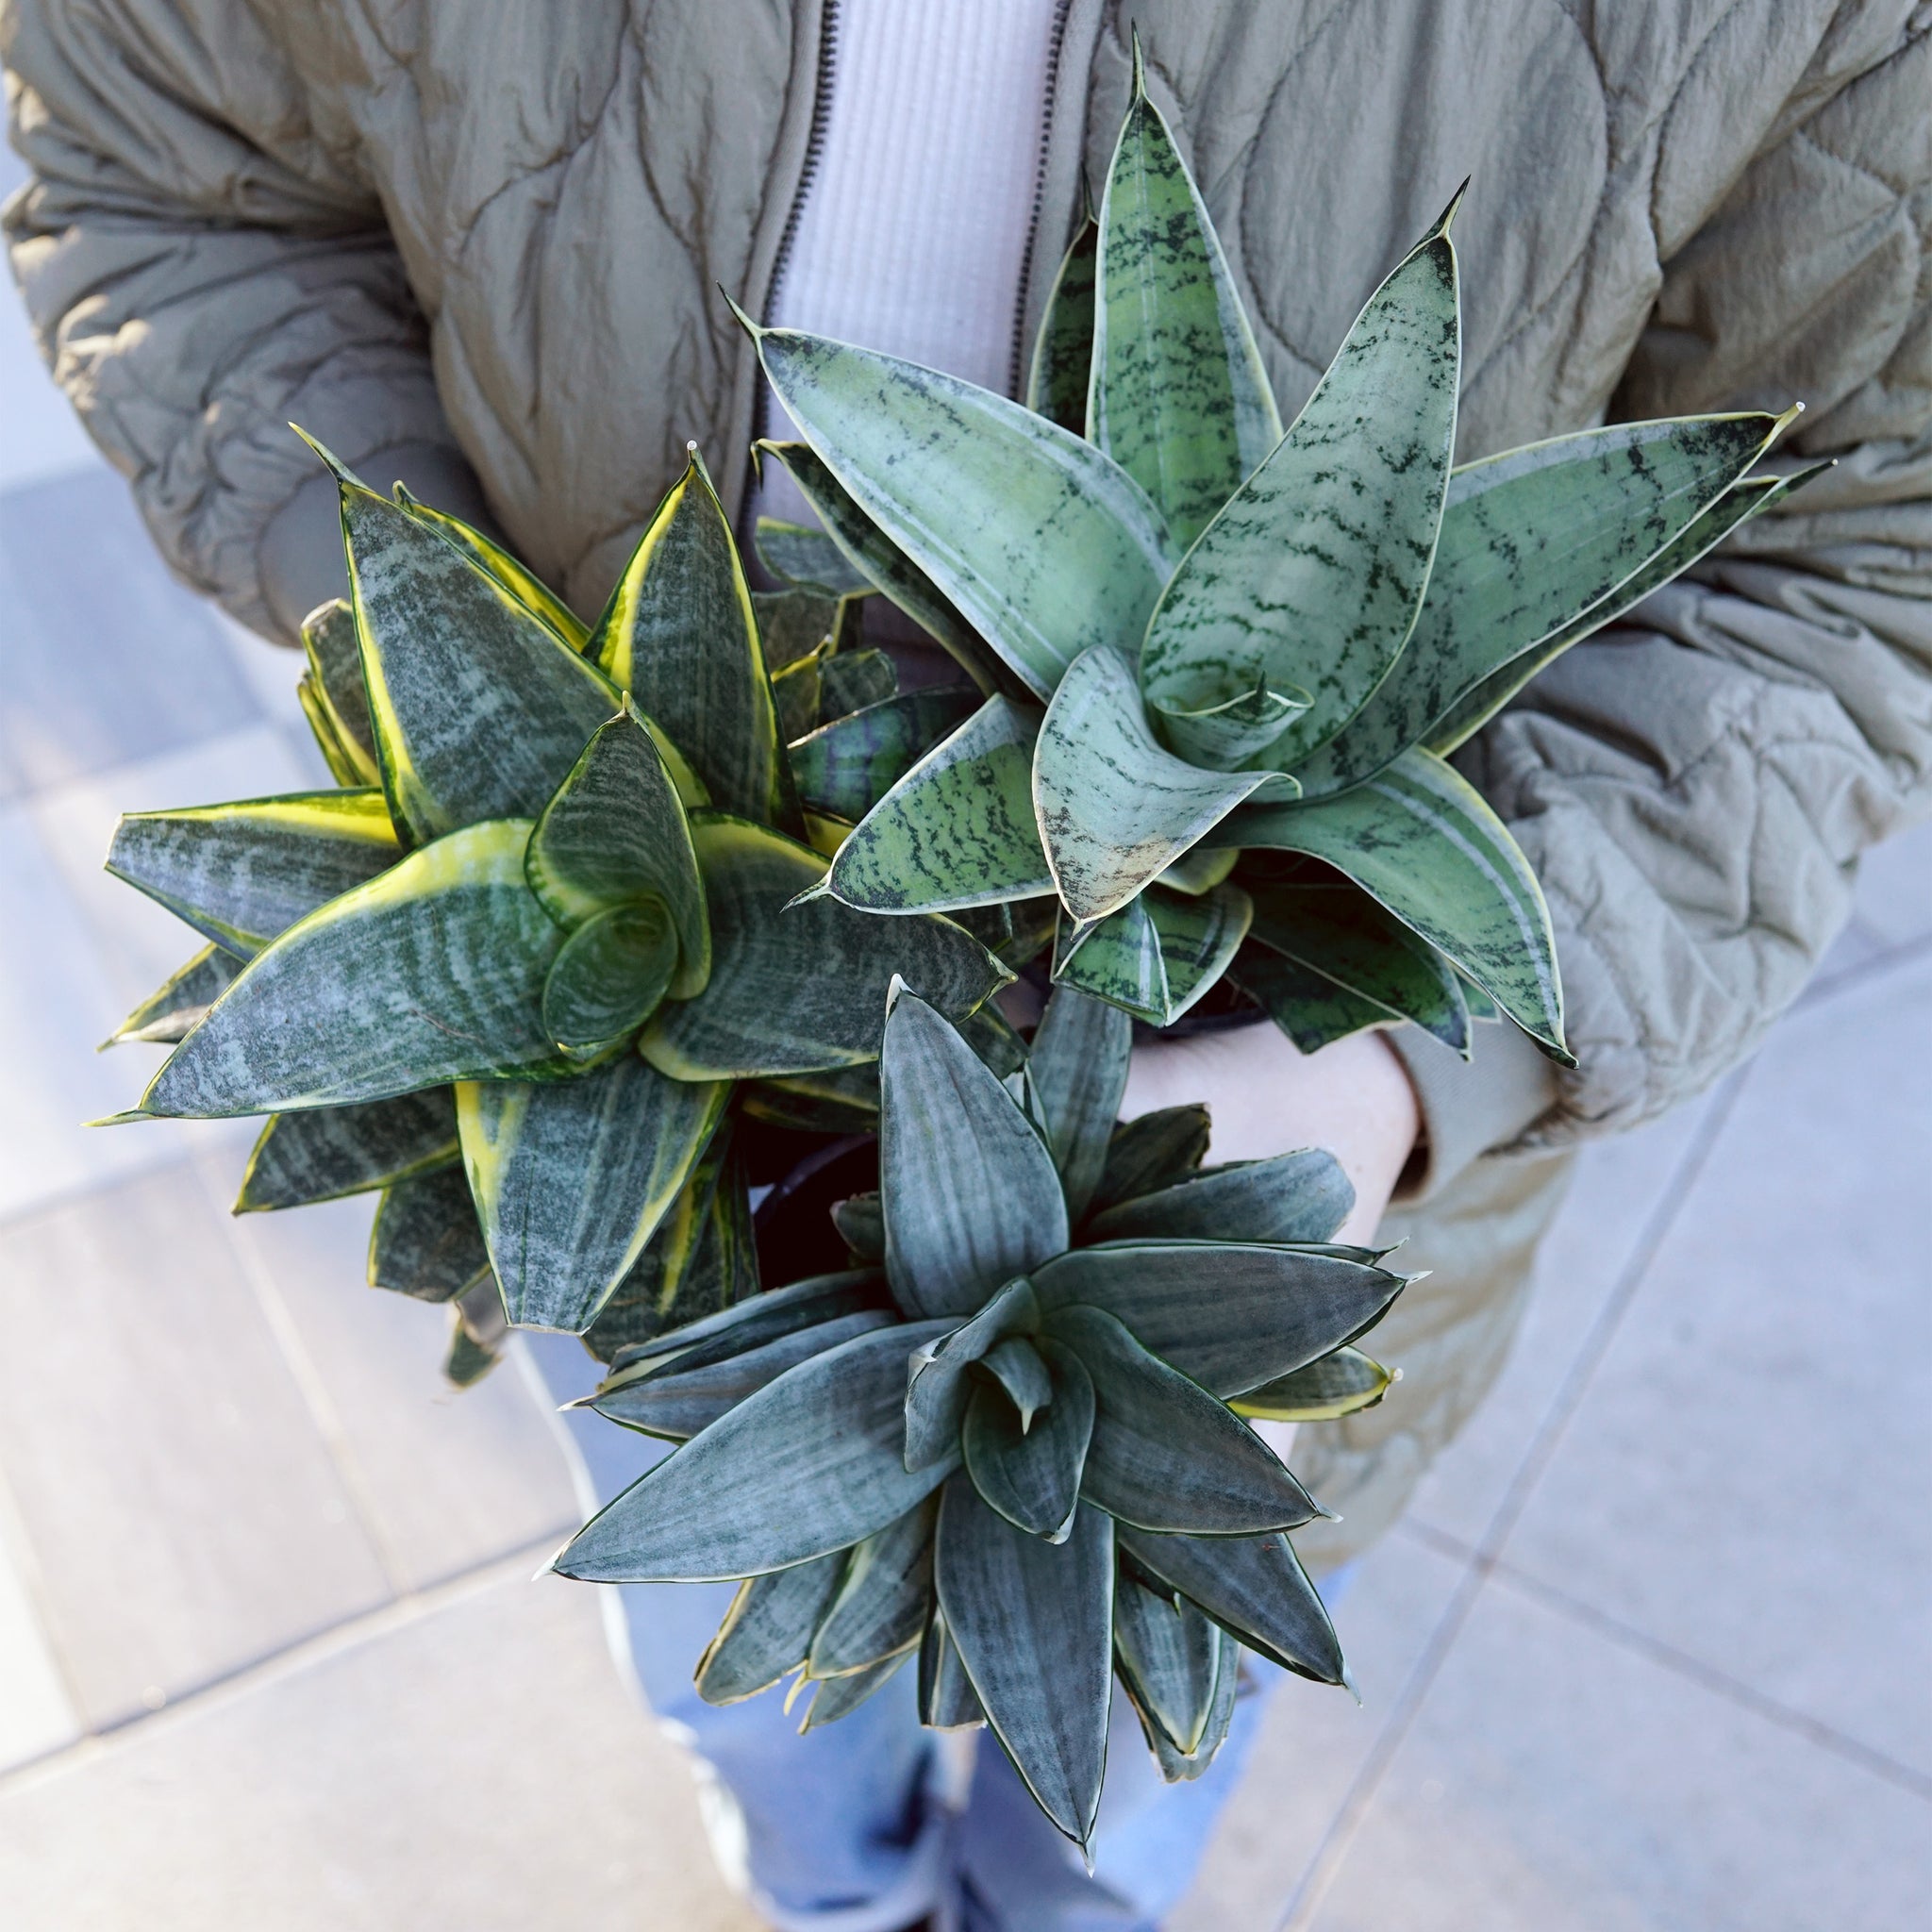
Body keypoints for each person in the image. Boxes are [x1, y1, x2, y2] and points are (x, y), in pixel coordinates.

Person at [5, 3, 1925, 1925]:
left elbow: (1863, 538)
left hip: (1279, 1163)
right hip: (658, 1099)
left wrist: (1394, 1072)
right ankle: (832, 1893)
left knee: (1122, 1739)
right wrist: (457, 663)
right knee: (733, 1665)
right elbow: (153, 174)